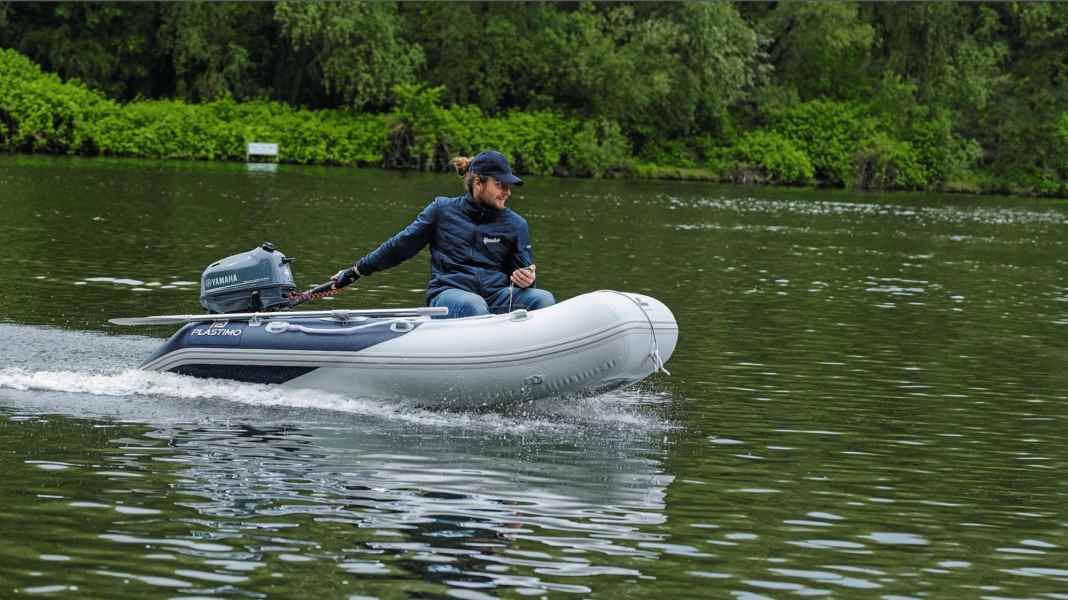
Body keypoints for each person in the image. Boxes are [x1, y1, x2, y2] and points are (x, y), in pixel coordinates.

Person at [328, 150, 555, 318]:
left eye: (509, 186)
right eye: (500, 185)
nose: (507, 192)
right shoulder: (441, 210)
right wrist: (356, 270)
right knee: (474, 305)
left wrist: (528, 279)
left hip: (496, 297)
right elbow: (399, 247)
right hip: (449, 295)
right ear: (478, 182)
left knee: (543, 299)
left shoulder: (516, 224)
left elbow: (522, 277)